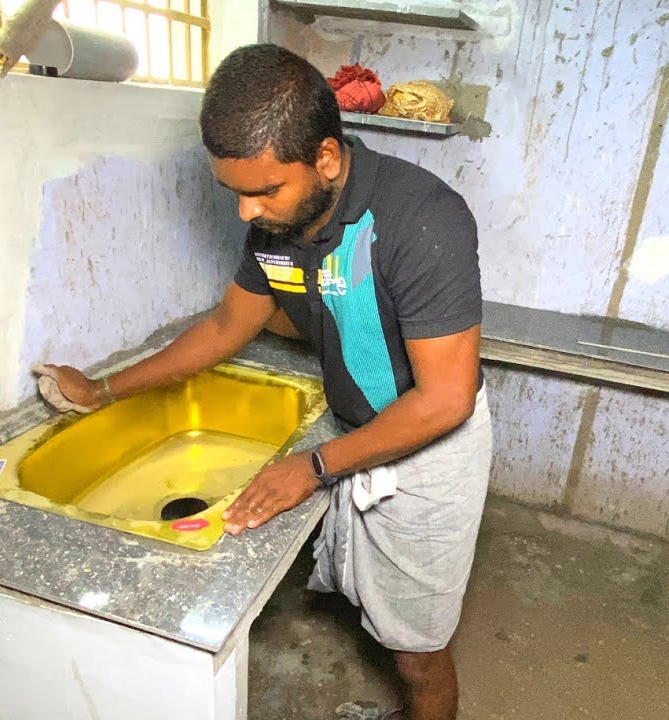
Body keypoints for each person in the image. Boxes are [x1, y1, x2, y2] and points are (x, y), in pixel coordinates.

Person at [29, 42, 491, 720]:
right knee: (360, 600)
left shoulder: (423, 219)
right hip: (355, 427)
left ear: (326, 158)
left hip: (428, 451)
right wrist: (104, 391)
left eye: (263, 191)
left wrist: (316, 465)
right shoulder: (279, 223)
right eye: (236, 193)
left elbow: (444, 399)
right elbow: (225, 326)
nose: (246, 213)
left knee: (418, 653)